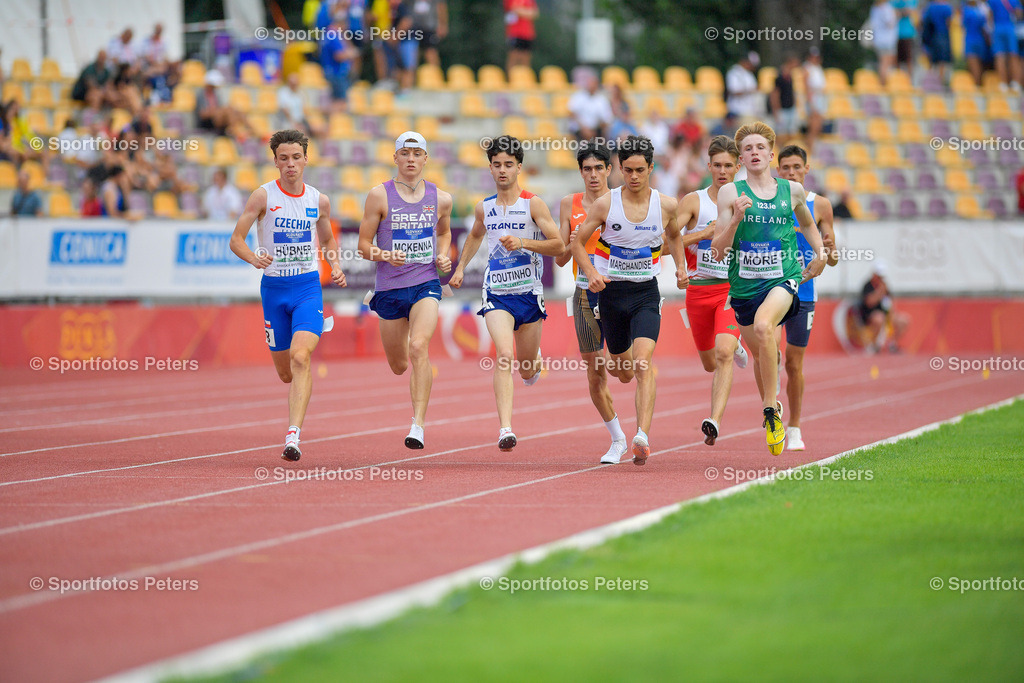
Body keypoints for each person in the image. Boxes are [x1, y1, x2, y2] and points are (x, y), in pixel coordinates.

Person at [229, 129, 347, 461]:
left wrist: (335, 266)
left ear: (306, 159)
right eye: (284, 158)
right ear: (276, 161)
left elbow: (327, 241)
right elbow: (236, 239)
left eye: (296, 158)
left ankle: (292, 435)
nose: (290, 164)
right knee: (285, 372)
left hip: (308, 287)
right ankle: (296, 387)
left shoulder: (318, 200)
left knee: (301, 357)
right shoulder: (262, 197)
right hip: (274, 290)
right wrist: (253, 257)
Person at [709, 122, 826, 456]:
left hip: (784, 278)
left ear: (771, 155)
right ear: (741, 158)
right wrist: (734, 220)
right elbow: (717, 250)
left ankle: (770, 410)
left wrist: (821, 254)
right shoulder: (731, 193)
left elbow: (806, 222)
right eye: (747, 148)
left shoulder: (792, 191)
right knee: (765, 353)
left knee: (764, 327)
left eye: (760, 147)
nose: (754, 152)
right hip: (744, 287)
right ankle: (771, 401)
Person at [571, 135, 688, 465]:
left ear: (651, 167)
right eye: (627, 171)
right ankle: (625, 388)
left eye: (640, 170)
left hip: (645, 294)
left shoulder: (665, 205)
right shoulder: (606, 204)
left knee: (642, 363)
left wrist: (680, 268)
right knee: (622, 372)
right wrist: (591, 272)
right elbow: (579, 243)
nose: (633, 177)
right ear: (620, 169)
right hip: (610, 294)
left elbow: (676, 236)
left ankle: (642, 436)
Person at [449, 135, 564, 451]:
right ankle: (505, 429)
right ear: (490, 168)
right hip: (496, 293)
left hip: (528, 294)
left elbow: (558, 245)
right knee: (503, 355)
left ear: (519, 168)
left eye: (508, 165)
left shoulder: (533, 204)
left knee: (526, 369)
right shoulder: (484, 207)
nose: (502, 170)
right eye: (497, 165)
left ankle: (534, 361)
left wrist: (524, 242)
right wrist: (460, 269)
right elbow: (474, 237)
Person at [357, 131, 453, 449]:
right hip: (389, 288)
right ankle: (416, 416)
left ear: (426, 159)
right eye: (405, 153)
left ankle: (418, 426)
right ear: (395, 158)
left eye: (417, 153)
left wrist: (442, 253)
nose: (411, 159)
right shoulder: (379, 196)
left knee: (419, 346)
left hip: (425, 282)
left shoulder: (441, 198)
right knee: (399, 365)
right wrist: (385, 255)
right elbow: (362, 246)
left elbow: (445, 233)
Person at [555, 141, 628, 464]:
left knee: (623, 371)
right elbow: (558, 260)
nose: (594, 175)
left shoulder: (624, 202)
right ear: (581, 172)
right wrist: (571, 245)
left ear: (609, 170)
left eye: (600, 168)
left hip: (620, 292)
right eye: (588, 169)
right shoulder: (568, 204)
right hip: (584, 293)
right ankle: (617, 439)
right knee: (595, 372)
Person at [676, 136, 748, 447]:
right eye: (716, 165)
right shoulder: (694, 202)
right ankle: (735, 345)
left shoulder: (747, 201)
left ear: (738, 167)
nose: (722, 171)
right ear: (708, 166)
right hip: (697, 292)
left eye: (728, 166)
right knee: (709, 363)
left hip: (731, 291)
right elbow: (666, 244)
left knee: (722, 354)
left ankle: (714, 420)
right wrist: (700, 236)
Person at [775, 145, 839, 451]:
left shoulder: (821, 205)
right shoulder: (768, 200)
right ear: (778, 170)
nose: (790, 172)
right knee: (770, 348)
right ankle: (770, 402)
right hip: (772, 285)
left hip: (805, 291)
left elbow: (833, 256)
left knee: (793, 362)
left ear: (806, 169)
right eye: (785, 167)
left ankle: (795, 427)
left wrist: (830, 250)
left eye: (796, 167)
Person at [855, 261, 910, 353]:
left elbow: (890, 301)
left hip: (886, 314)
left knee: (904, 320)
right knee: (879, 318)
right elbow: (869, 303)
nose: (881, 279)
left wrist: (892, 313)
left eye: (882, 277)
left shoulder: (884, 286)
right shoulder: (868, 286)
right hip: (871, 315)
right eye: (879, 276)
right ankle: (874, 346)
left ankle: (892, 344)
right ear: (874, 274)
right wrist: (879, 292)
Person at [568, 68, 613, 142]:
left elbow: (607, 119)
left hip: (596, 130)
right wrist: (584, 128)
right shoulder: (578, 96)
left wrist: (597, 128)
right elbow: (571, 113)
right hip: (580, 129)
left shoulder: (601, 99)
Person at [988, 0, 1023, 91]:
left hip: (997, 29)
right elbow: (1018, 14)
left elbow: (990, 16)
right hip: (1010, 28)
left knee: (999, 57)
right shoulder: (1014, 0)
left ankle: (1003, 83)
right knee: (1013, 55)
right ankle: (1015, 82)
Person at [921, 0, 954, 85]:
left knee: (932, 60)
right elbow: (949, 22)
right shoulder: (947, 7)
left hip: (932, 37)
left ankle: (932, 81)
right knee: (942, 61)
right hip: (943, 35)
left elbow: (924, 21)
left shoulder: (930, 7)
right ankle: (940, 82)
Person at [962, 0, 993, 86]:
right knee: (980, 66)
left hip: (971, 40)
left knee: (973, 66)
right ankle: (979, 85)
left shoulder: (967, 11)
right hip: (981, 41)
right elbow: (985, 28)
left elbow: (963, 25)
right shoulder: (981, 12)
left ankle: (977, 86)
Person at [769, 54, 800, 139]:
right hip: (782, 109)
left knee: (790, 134)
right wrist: (776, 111)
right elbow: (775, 95)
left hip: (790, 108)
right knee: (781, 134)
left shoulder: (790, 77)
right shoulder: (780, 77)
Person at [869, 0, 899, 85]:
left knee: (883, 63)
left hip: (878, 39)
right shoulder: (885, 8)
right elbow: (890, 23)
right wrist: (897, 15)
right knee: (885, 64)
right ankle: (883, 85)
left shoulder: (875, 7)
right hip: (887, 40)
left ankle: (882, 84)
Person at [725, 52, 761, 122]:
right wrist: (750, 90)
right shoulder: (734, 73)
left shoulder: (749, 74)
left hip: (750, 111)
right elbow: (734, 91)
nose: (752, 67)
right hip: (737, 111)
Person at [505, 0, 538, 72]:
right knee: (514, 57)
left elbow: (535, 13)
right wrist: (527, 12)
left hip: (528, 34)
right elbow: (514, 9)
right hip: (515, 33)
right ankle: (511, 79)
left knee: (526, 58)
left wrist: (523, 12)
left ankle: (524, 78)